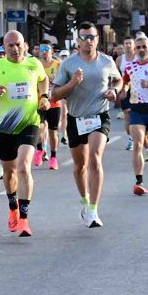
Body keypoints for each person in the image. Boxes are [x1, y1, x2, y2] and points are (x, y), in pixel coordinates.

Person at [0, 31, 49, 237]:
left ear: (25, 45)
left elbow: (43, 80)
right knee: (9, 172)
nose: (15, 49)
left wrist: (44, 96)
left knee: (24, 167)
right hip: (3, 127)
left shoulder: (33, 64)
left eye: (18, 44)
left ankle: (25, 219)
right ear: (4, 47)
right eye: (10, 45)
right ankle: (13, 207)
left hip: (29, 123)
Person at [51, 22, 121, 228]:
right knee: (80, 166)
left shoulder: (107, 61)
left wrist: (114, 91)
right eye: (84, 37)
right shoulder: (68, 64)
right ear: (78, 41)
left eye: (92, 37)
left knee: (95, 159)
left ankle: (93, 209)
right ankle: (84, 200)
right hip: (76, 118)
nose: (88, 41)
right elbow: (55, 94)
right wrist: (73, 83)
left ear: (97, 39)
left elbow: (118, 81)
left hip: (99, 115)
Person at [122, 35, 148, 195]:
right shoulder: (131, 67)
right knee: (138, 144)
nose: (141, 50)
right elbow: (125, 82)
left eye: (144, 47)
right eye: (138, 47)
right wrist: (123, 90)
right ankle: (138, 182)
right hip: (138, 110)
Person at [35, 43, 62, 170]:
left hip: (54, 102)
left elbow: (63, 81)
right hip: (39, 101)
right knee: (39, 128)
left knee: (53, 132)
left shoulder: (58, 65)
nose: (44, 52)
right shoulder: (36, 64)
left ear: (51, 51)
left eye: (46, 49)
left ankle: (53, 157)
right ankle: (39, 150)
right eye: (42, 49)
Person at [117, 36, 138, 151]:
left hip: (137, 89)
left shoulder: (138, 57)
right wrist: (115, 90)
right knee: (127, 115)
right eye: (126, 43)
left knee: (137, 113)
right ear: (124, 45)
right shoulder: (120, 59)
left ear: (134, 45)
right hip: (125, 88)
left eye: (130, 43)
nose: (128, 45)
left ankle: (141, 136)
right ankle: (130, 139)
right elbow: (114, 75)